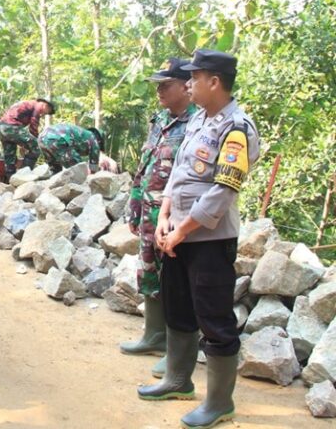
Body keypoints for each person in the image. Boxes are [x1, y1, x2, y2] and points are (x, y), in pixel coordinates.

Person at [137, 50, 260, 429]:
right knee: (178, 308)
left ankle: (219, 402)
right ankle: (177, 380)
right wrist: (165, 213)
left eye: (195, 77)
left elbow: (222, 193)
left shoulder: (237, 127)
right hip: (176, 234)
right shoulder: (199, 121)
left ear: (215, 82)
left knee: (214, 318)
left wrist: (181, 229)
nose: (188, 84)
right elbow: (178, 172)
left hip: (207, 240)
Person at [119, 58, 196, 378]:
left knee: (176, 282)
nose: (160, 91)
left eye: (166, 85)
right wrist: (134, 206)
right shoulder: (160, 119)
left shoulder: (198, 122)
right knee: (148, 270)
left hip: (178, 217)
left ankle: (175, 350)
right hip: (150, 212)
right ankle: (154, 336)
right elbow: (145, 166)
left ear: (186, 86)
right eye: (158, 85)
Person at [0, 98, 55, 179]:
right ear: (46, 106)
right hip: (12, 127)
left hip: (2, 127)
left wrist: (24, 144)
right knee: (36, 147)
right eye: (46, 112)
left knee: (9, 156)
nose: (43, 114)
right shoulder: (38, 106)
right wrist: (34, 142)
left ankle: (10, 179)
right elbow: (33, 126)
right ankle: (24, 175)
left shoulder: (29, 103)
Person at [37, 124, 104, 174]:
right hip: (57, 139)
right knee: (79, 168)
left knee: (56, 169)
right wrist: (93, 176)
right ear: (100, 141)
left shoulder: (83, 134)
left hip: (41, 138)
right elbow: (94, 163)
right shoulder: (94, 139)